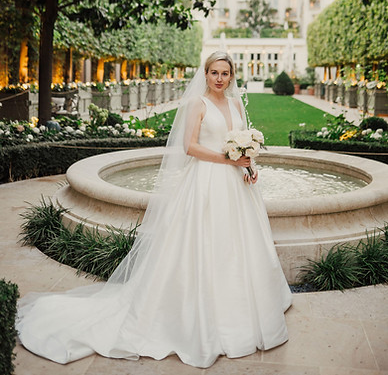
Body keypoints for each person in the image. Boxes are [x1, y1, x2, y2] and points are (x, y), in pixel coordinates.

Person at [16, 51, 292, 368]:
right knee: (202, 246)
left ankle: (245, 309)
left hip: (236, 186)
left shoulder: (236, 104)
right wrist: (228, 160)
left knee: (236, 248)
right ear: (205, 74)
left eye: (225, 73)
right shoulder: (197, 104)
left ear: (231, 76)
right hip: (206, 182)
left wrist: (248, 166)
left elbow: (241, 146)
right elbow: (189, 147)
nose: (219, 78)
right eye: (214, 72)